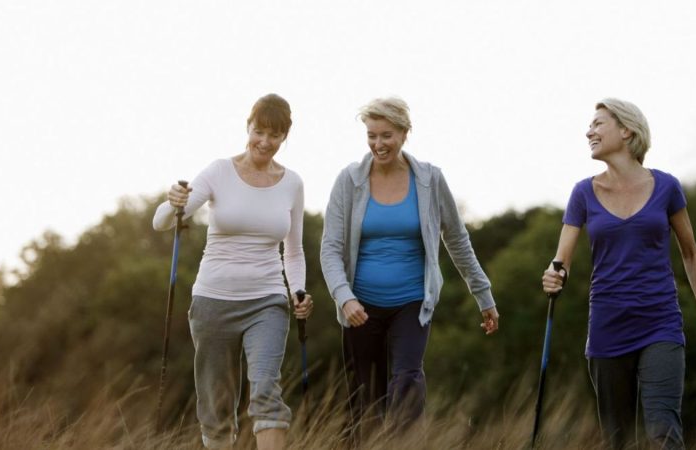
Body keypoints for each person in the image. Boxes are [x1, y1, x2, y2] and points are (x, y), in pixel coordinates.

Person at [541, 98, 696, 449]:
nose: (588, 131)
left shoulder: (667, 187)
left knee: (663, 432)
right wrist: (553, 275)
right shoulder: (583, 192)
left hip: (660, 323)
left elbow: (691, 252)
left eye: (597, 124)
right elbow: (561, 259)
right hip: (608, 327)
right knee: (617, 439)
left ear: (626, 130)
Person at [320, 97, 499, 438]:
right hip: (360, 305)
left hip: (412, 301)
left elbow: (457, 240)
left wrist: (483, 294)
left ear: (405, 133)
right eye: (371, 135)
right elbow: (329, 248)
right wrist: (344, 297)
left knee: (407, 382)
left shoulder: (429, 180)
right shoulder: (349, 181)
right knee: (365, 401)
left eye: (386, 135)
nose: (377, 144)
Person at [153, 93, 313, 450]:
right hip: (213, 301)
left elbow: (295, 249)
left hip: (267, 301)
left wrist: (297, 291)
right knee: (216, 404)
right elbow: (163, 222)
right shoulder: (218, 172)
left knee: (266, 390)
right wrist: (172, 203)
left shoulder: (292, 184)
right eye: (260, 131)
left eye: (275, 135)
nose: (265, 142)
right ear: (248, 127)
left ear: (285, 137)